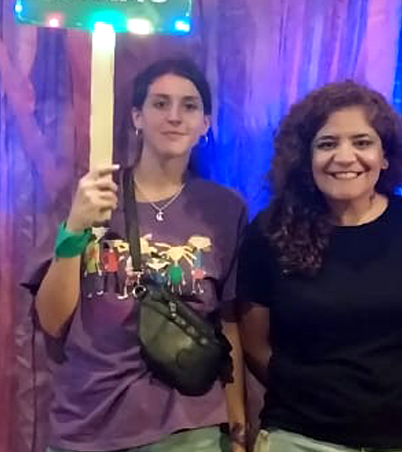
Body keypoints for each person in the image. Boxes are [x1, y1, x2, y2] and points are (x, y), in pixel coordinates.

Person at [237, 80, 402, 452]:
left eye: (362, 142)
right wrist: (316, 399)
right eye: (327, 144)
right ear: (306, 158)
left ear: (385, 156)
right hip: (302, 439)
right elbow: (255, 344)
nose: (345, 157)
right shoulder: (270, 232)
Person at [23, 58, 248, 452]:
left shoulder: (224, 210)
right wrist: (75, 229)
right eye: (160, 103)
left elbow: (228, 324)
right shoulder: (90, 195)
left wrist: (238, 425)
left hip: (188, 427)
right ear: (136, 117)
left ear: (205, 124)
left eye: (189, 106)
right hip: (86, 421)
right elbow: (52, 321)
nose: (174, 116)